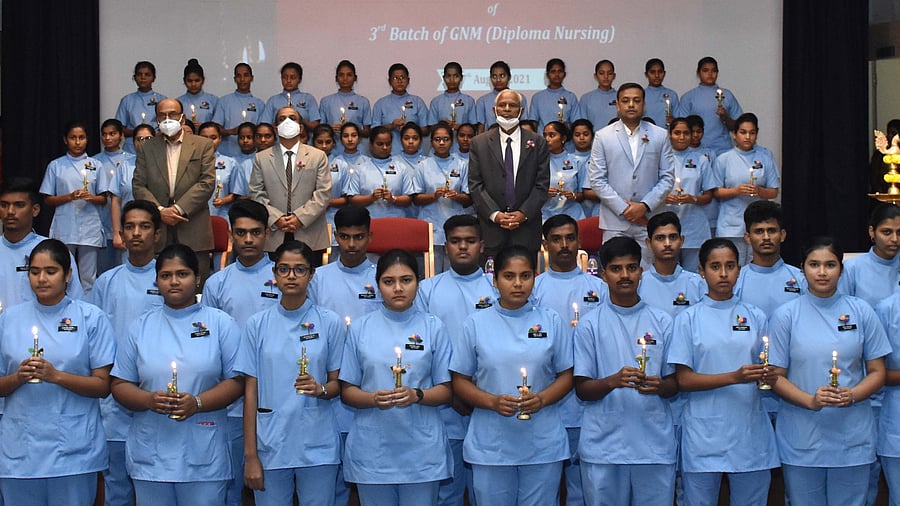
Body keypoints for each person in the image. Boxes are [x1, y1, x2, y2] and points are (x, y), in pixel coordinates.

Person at [110, 244, 244, 506]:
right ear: (157, 280)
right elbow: (119, 384)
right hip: (151, 453)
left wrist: (198, 403)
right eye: (166, 275)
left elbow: (237, 381)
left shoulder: (220, 323)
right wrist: (148, 400)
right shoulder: (140, 327)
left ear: (197, 279)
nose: (173, 281)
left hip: (204, 452)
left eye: (182, 274)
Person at [770, 237, 889, 506]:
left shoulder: (861, 311)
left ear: (841, 269)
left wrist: (854, 395)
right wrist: (810, 401)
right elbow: (775, 375)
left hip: (852, 435)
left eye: (830, 264)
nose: (822, 272)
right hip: (801, 435)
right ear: (802, 269)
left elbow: (877, 371)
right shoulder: (785, 315)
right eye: (814, 264)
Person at [451, 244, 573, 505]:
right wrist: (492, 402)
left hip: (542, 442)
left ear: (534, 277)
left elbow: (567, 375)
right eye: (509, 276)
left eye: (525, 276)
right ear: (494, 280)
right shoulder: (475, 323)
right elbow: (459, 380)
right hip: (491, 443)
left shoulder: (551, 320)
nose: (518, 284)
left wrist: (541, 399)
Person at [0, 238, 115, 505]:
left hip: (74, 451)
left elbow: (103, 386)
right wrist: (18, 377)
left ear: (68, 275)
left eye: (50, 271)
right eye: (34, 271)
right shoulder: (9, 320)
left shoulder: (90, 318)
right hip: (20, 451)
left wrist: (56, 376)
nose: (41, 279)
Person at [667, 238, 778, 505]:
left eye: (730, 266)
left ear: (739, 269)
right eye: (715, 266)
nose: (724, 273)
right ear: (701, 271)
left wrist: (769, 376)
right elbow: (683, 379)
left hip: (749, 431)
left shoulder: (755, 316)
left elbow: (769, 368)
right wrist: (734, 377)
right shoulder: (688, 319)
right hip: (704, 434)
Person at [339, 249, 453, 505]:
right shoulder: (360, 328)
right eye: (389, 282)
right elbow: (347, 390)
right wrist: (372, 398)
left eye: (406, 280)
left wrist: (418, 395)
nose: (398, 288)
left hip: (421, 450)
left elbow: (447, 389)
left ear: (418, 282)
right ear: (378, 285)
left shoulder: (433, 326)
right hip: (374, 449)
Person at [238, 240, 343, 506]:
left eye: (299, 269)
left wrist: (320, 389)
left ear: (312, 274)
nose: (291, 276)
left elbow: (338, 385)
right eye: (284, 269)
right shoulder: (256, 325)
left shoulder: (330, 322)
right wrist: (250, 455)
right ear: (274, 274)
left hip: (318, 442)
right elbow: (250, 391)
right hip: (271, 441)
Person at [574, 236, 677, 506]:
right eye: (617, 269)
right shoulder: (589, 325)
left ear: (641, 272)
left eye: (631, 268)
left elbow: (675, 383)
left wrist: (660, 386)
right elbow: (582, 389)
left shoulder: (663, 321)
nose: (625, 275)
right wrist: (612, 381)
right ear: (603, 274)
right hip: (604, 446)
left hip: (653, 445)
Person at [201, 199, 279, 506]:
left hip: (277, 397)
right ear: (232, 235)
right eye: (241, 233)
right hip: (231, 401)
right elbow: (207, 341)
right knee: (231, 485)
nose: (248, 240)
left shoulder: (284, 275)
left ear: (267, 235)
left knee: (275, 487)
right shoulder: (217, 283)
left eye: (255, 232)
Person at [416, 214, 495, 506]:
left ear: (482, 246)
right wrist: (453, 392)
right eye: (456, 241)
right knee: (446, 492)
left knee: (485, 492)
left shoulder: (496, 288)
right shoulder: (427, 289)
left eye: (470, 241)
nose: (463, 247)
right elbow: (423, 347)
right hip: (445, 404)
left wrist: (476, 393)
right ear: (445, 246)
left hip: (488, 401)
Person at [89, 200, 164, 505]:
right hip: (114, 401)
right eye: (130, 227)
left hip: (158, 395)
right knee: (116, 487)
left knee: (156, 486)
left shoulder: (169, 280)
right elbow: (93, 341)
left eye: (144, 226)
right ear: (120, 232)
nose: (136, 233)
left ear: (157, 234)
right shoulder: (106, 282)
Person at [307, 206, 381, 506]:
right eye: (345, 237)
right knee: (330, 477)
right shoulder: (318, 279)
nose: (351, 245)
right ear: (334, 236)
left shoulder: (382, 278)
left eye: (359, 237)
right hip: (327, 384)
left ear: (370, 236)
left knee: (367, 475)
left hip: (368, 385)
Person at [533, 215, 608, 505]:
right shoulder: (534, 289)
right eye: (556, 239)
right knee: (544, 490)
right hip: (546, 402)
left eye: (570, 238)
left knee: (584, 489)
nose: (564, 245)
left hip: (588, 406)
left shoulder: (599, 288)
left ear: (579, 243)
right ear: (545, 244)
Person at [588, 82, 676, 265]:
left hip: (649, 220)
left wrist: (644, 206)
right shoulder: (603, 136)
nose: (631, 105)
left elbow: (667, 178)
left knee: (648, 275)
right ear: (618, 105)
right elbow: (597, 180)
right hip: (615, 221)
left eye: (636, 100)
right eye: (626, 101)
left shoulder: (660, 135)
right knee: (615, 274)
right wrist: (625, 209)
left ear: (644, 105)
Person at [131, 98, 217, 282]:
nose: (167, 119)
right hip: (158, 228)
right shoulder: (147, 147)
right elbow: (138, 185)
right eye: (162, 115)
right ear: (156, 119)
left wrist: (177, 209)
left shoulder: (202, 145)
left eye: (173, 114)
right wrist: (160, 211)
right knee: (157, 285)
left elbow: (207, 182)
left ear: (183, 118)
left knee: (196, 284)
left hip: (193, 224)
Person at [468, 89, 550, 262]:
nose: (506, 109)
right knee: (491, 284)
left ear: (521, 111)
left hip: (526, 229)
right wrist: (495, 214)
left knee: (525, 283)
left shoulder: (538, 142)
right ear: (494, 110)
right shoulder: (479, 143)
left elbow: (541, 185)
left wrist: (523, 213)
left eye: (512, 105)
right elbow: (475, 184)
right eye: (502, 105)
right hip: (491, 229)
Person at [249, 107, 331, 257]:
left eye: (292, 118)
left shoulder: (317, 156)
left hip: (309, 233)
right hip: (274, 234)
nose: (287, 122)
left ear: (300, 128)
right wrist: (276, 218)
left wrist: (300, 217)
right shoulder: (262, 158)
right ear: (275, 128)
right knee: (273, 279)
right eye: (282, 119)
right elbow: (256, 193)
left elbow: (323, 194)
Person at [40, 121, 109, 295]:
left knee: (88, 277)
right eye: (73, 138)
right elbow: (48, 199)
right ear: (65, 140)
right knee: (64, 272)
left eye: (81, 138)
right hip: (66, 225)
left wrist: (90, 197)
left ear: (87, 140)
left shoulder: (95, 165)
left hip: (89, 225)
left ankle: (87, 312)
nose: (77, 142)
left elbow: (104, 199)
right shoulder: (56, 166)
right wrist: (69, 197)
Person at [0, 178, 84, 306]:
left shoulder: (54, 250)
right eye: (4, 205)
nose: (10, 211)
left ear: (35, 210)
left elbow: (76, 303)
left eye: (19, 205)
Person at [712, 112, 780, 265]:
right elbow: (715, 192)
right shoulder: (724, 159)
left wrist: (759, 191)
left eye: (752, 133)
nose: (747, 137)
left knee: (757, 266)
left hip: (759, 226)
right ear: (734, 135)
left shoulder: (765, 156)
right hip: (731, 225)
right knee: (731, 266)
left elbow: (774, 191)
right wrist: (736, 191)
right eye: (743, 132)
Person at [413, 123, 473, 273]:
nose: (441, 143)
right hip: (431, 224)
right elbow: (416, 198)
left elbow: (469, 199)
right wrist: (433, 196)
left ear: (451, 142)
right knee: (431, 273)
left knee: (454, 272)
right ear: (431, 142)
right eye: (437, 139)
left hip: (456, 225)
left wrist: (457, 196)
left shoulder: (462, 164)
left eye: (445, 139)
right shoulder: (423, 166)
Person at [734, 200, 806, 314]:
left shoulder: (801, 279)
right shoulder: (736, 281)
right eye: (759, 231)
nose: (766, 237)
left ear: (782, 235)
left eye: (771, 230)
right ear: (747, 237)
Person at [664, 118, 715, 272]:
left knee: (693, 277)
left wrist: (693, 199)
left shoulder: (701, 160)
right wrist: (663, 198)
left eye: (686, 133)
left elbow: (708, 196)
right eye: (677, 133)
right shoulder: (661, 158)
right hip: (667, 225)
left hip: (694, 227)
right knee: (668, 274)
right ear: (669, 134)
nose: (681, 137)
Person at [638, 212, 704, 318]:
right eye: (660, 238)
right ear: (648, 243)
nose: (667, 244)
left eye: (673, 237)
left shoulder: (697, 283)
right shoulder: (638, 284)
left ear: (681, 240)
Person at [674, 57, 743, 155]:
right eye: (705, 70)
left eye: (713, 71)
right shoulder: (688, 97)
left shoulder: (727, 95)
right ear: (698, 73)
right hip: (696, 152)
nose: (710, 74)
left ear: (717, 73)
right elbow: (683, 128)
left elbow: (738, 127)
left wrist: (725, 117)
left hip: (722, 150)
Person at [347, 126, 418, 219]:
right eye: (380, 144)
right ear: (371, 145)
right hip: (369, 221)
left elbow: (408, 198)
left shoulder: (401, 167)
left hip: (396, 220)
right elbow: (352, 199)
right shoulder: (361, 169)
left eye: (388, 144)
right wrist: (371, 198)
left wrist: (393, 199)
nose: (384, 147)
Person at [839, 203, 900, 306]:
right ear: (872, 232)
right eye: (886, 232)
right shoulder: (852, 269)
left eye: (899, 233)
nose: (894, 239)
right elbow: (842, 312)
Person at [107, 123, 152, 258]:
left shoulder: (164, 165)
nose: (143, 143)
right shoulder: (124, 166)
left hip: (155, 228)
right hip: (129, 228)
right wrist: (116, 233)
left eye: (148, 139)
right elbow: (115, 200)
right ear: (133, 143)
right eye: (139, 139)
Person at [94, 118, 132, 273]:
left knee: (125, 267)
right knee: (104, 269)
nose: (108, 138)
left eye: (112, 134)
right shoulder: (94, 161)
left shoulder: (130, 160)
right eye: (104, 134)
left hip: (124, 216)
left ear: (121, 136)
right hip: (102, 219)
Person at [372, 63, 429, 155]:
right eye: (395, 78)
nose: (399, 81)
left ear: (408, 80)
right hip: (390, 154)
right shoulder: (380, 104)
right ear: (389, 81)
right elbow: (374, 132)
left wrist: (409, 128)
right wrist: (392, 126)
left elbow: (426, 131)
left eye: (403, 77)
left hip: (415, 155)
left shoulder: (418, 102)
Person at [320, 60, 373, 157]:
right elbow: (321, 130)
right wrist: (331, 129)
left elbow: (367, 132)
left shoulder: (363, 101)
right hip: (334, 151)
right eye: (341, 75)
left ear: (355, 78)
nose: (345, 78)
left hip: (358, 152)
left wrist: (352, 130)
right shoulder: (326, 101)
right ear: (336, 78)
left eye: (349, 75)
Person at [212, 63, 266, 157]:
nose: (242, 79)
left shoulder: (259, 104)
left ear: (251, 78)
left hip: (252, 156)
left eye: (246, 75)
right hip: (227, 155)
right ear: (234, 79)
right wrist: (231, 131)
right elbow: (215, 129)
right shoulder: (224, 101)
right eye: (238, 76)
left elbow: (262, 131)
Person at [115, 61, 166, 154]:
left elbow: (167, 125)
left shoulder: (162, 100)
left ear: (154, 78)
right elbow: (119, 128)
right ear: (134, 78)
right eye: (139, 74)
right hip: (131, 148)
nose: (143, 78)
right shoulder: (127, 100)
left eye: (147, 74)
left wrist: (152, 134)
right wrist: (138, 133)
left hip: (156, 144)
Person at [542, 121, 585, 222]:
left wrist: (573, 195)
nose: (547, 139)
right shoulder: (539, 161)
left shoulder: (577, 161)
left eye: (552, 135)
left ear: (563, 139)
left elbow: (584, 194)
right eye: (545, 135)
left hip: (573, 215)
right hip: (546, 215)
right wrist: (543, 193)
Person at [197, 122, 238, 224]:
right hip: (196, 216)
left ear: (220, 138)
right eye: (204, 137)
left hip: (222, 216)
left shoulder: (230, 163)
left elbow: (236, 193)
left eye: (213, 137)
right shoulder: (189, 162)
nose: (209, 141)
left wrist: (224, 200)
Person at [474, 61, 530, 133]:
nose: (498, 80)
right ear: (490, 78)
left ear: (509, 77)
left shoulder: (519, 98)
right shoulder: (482, 101)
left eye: (502, 76)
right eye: (494, 76)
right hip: (490, 140)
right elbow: (480, 129)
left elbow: (524, 124)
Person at [263, 62, 321, 132]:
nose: (288, 81)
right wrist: (281, 121)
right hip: (278, 141)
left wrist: (300, 119)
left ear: (300, 79)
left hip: (302, 140)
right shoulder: (273, 100)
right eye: (285, 77)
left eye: (293, 77)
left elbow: (316, 126)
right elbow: (265, 126)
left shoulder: (308, 98)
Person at [530, 58, 579, 131]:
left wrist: (566, 126)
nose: (556, 74)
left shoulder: (571, 97)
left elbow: (576, 123)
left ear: (564, 74)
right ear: (547, 74)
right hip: (543, 140)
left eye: (560, 71)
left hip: (565, 141)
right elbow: (533, 122)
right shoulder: (537, 97)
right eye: (553, 72)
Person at [428, 62, 477, 131]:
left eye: (456, 76)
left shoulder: (469, 101)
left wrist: (460, 128)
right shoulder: (436, 102)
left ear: (461, 78)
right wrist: (444, 126)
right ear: (444, 78)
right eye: (448, 76)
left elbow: (474, 126)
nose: (452, 80)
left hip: (464, 140)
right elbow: (432, 127)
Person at [575, 60, 619, 131]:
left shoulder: (621, 97)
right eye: (601, 73)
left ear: (614, 76)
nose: (606, 76)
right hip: (594, 140)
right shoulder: (586, 99)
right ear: (595, 76)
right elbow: (583, 125)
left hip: (617, 140)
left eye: (609, 73)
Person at [178, 58, 218, 130]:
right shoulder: (178, 102)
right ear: (184, 81)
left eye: (197, 80)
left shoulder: (214, 100)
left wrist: (203, 127)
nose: (193, 84)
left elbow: (218, 126)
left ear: (203, 80)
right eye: (189, 81)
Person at [643, 58, 680, 128]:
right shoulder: (641, 95)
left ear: (664, 73)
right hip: (645, 136)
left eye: (660, 72)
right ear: (646, 74)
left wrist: (674, 121)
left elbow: (679, 120)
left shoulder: (672, 95)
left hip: (667, 136)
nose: (657, 75)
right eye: (652, 72)